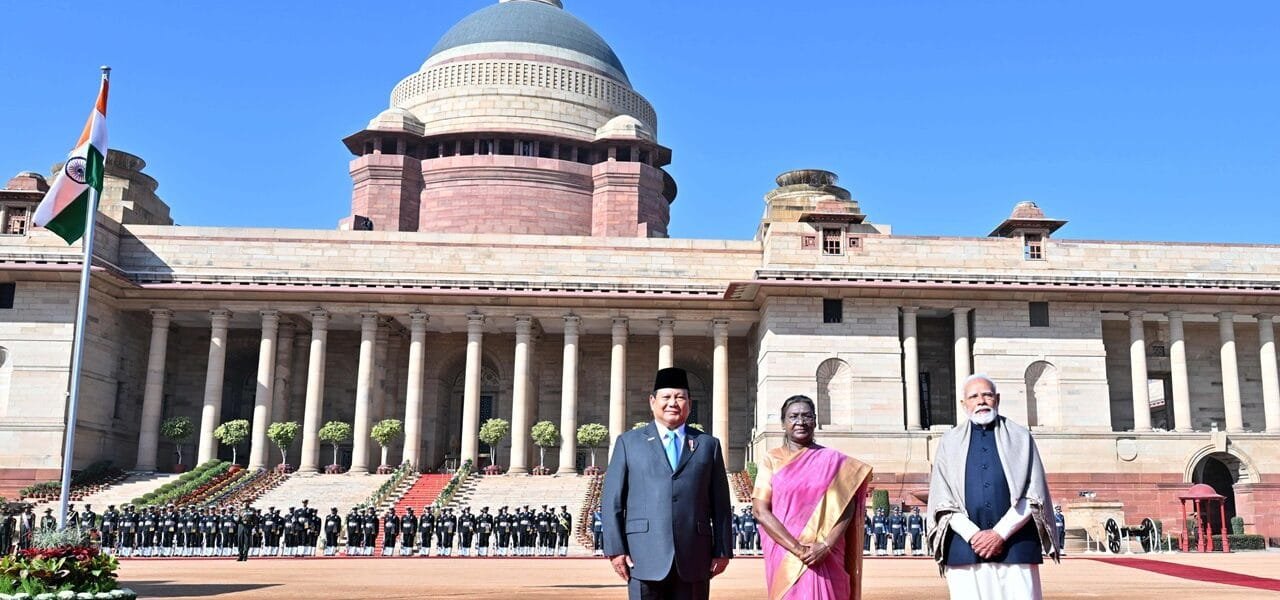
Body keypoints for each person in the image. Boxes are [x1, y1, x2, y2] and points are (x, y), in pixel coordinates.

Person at [602, 367, 734, 600]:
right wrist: (615, 550)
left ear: (689, 404)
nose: (673, 403)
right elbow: (612, 500)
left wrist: (723, 549)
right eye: (666, 397)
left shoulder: (708, 445)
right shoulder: (629, 443)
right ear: (653, 402)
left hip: (694, 555)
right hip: (642, 556)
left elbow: (721, 503)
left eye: (680, 397)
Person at [927, 374, 1060, 599]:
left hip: (1016, 545)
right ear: (964, 404)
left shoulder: (1021, 437)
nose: (981, 401)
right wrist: (973, 535)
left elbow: (1033, 492)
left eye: (987, 395)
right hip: (965, 547)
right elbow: (942, 498)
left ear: (997, 399)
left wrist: (1000, 533)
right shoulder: (949, 442)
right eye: (973, 396)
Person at [752, 394, 874, 600]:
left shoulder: (834, 461)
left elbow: (848, 506)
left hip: (827, 554)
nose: (800, 421)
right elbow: (760, 510)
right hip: (786, 554)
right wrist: (798, 549)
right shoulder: (771, 460)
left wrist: (826, 546)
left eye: (806, 416)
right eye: (793, 416)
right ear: (783, 423)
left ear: (815, 421)